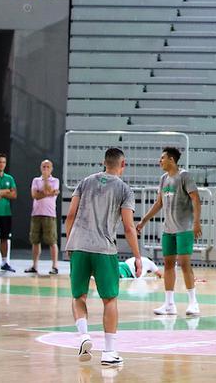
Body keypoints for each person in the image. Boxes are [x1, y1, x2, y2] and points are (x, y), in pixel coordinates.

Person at [65, 147, 141, 366]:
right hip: (104, 249)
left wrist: (71, 241)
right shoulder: (124, 190)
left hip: (79, 245)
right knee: (109, 299)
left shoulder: (85, 182)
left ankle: (84, 336)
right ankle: (109, 352)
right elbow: (128, 227)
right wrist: (137, 257)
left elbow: (70, 215)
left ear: (104, 162)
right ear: (123, 164)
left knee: (79, 296)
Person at [135, 146, 202, 317]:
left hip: (184, 228)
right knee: (168, 265)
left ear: (171, 159)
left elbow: (196, 198)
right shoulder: (163, 179)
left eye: (162, 158)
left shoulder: (185, 176)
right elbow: (159, 203)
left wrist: (196, 223)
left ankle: (193, 302)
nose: (160, 161)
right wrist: (143, 221)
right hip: (169, 229)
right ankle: (169, 304)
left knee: (185, 264)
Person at [27, 159, 60, 275]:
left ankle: (55, 266)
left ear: (51, 169)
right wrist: (47, 193)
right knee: (35, 241)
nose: (45, 169)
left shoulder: (55, 180)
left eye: (48, 167)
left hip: (49, 214)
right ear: (40, 168)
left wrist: (46, 181)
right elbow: (35, 195)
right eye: (43, 167)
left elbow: (49, 190)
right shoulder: (36, 180)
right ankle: (34, 266)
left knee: (52, 241)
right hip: (36, 214)